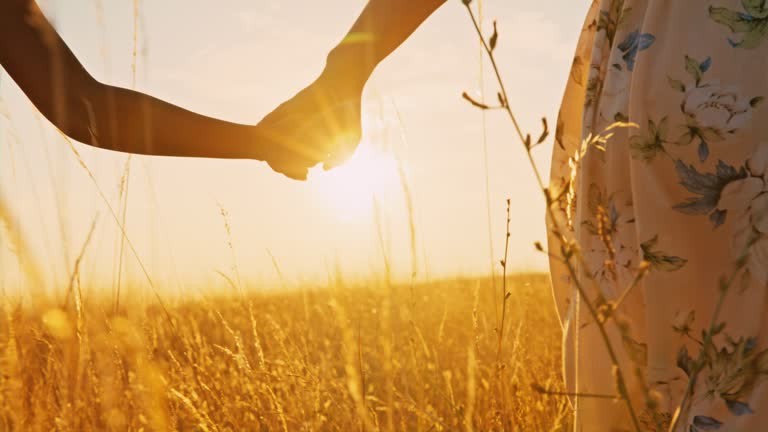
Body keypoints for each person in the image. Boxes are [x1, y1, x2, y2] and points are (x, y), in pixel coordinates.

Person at [4, 0, 768, 430]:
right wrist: (309, 103)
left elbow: (82, 107)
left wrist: (331, 82)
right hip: (701, 60)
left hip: (659, 72)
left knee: (664, 393)